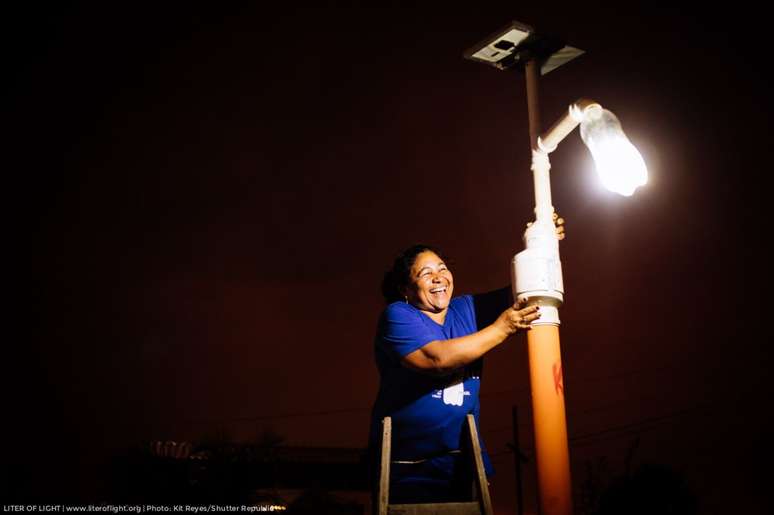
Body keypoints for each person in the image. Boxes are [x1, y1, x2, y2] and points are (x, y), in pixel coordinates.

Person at [369, 243, 542, 504]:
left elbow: (529, 291)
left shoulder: (466, 309)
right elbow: (436, 358)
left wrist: (541, 243)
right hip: (407, 467)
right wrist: (502, 328)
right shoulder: (398, 315)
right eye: (425, 273)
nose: (438, 277)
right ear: (405, 289)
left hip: (463, 462)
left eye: (443, 269)